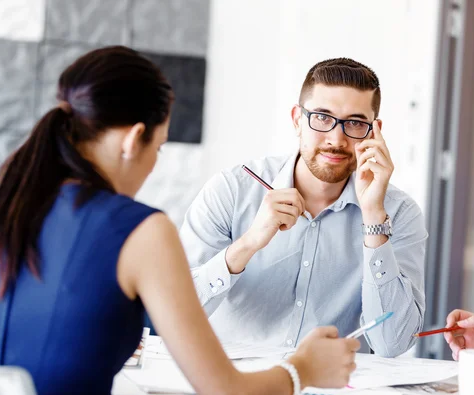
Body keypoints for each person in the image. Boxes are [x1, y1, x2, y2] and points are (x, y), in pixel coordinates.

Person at [0, 46, 360, 395]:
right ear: (134, 138)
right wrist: (303, 368)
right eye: (158, 149)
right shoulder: (141, 231)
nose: (152, 165)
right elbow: (227, 392)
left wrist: (15, 339)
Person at [181, 58, 427, 357]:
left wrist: (374, 218)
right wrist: (247, 244)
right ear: (297, 119)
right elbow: (177, 313)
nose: (336, 139)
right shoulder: (231, 191)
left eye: (355, 123)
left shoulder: (398, 213)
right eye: (322, 117)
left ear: (374, 131)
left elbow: (393, 344)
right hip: (234, 383)